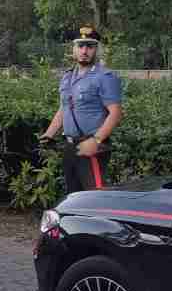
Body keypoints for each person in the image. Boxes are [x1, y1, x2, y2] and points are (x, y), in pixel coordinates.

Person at [39, 25, 123, 193]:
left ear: (96, 50)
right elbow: (64, 108)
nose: (85, 50)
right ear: (74, 49)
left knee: (94, 197)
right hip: (70, 146)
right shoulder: (67, 77)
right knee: (74, 196)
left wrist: (96, 141)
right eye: (81, 46)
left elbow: (116, 113)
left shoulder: (105, 77)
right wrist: (49, 134)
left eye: (90, 46)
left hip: (92, 146)